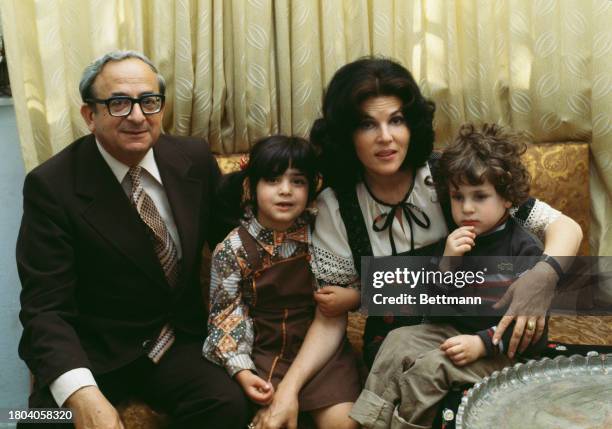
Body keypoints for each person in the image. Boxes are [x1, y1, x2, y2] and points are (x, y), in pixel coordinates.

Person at [16, 51, 249, 429]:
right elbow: (45, 307)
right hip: (96, 350)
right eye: (119, 103)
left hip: (178, 341)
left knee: (227, 405)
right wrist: (82, 393)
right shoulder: (52, 187)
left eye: (149, 101)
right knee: (37, 422)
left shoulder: (192, 159)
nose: (138, 116)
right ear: (90, 116)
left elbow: (239, 245)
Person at [350, 123, 550, 428]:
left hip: (506, 354)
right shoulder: (457, 241)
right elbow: (432, 305)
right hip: (454, 332)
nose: (467, 208)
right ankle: (370, 422)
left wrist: (482, 344)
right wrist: (447, 264)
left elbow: (533, 325)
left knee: (429, 369)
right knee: (397, 341)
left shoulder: (523, 250)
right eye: (458, 197)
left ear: (508, 198)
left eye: (480, 197)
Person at [203, 135, 361, 429]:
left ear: (312, 188)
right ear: (251, 187)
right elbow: (225, 315)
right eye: (273, 180)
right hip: (262, 349)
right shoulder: (232, 249)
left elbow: (347, 288)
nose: (285, 191)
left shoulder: (322, 233)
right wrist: (241, 370)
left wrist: (354, 295)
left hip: (321, 348)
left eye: (297, 181)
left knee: (343, 423)